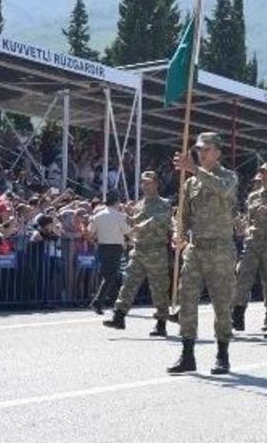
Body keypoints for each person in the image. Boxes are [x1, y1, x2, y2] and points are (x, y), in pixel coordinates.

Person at [169, 132, 238, 374]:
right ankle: (187, 354)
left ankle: (222, 355)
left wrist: (194, 170)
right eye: (198, 149)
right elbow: (184, 214)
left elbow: (221, 189)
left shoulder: (229, 177)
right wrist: (179, 233)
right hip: (196, 248)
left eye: (205, 149)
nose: (200, 153)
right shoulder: (190, 183)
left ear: (217, 152)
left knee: (221, 302)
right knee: (187, 299)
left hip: (220, 248)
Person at [103, 171, 172, 336]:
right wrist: (128, 219)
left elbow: (162, 218)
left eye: (148, 182)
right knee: (128, 283)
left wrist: (144, 225)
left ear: (156, 184)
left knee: (159, 288)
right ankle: (119, 316)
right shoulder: (140, 204)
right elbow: (134, 222)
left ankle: (161, 322)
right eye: (143, 183)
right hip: (139, 250)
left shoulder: (164, 203)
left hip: (156, 251)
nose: (145, 186)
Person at [232, 163, 267, 337]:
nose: (263, 177)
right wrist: (244, 227)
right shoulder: (253, 196)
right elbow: (249, 218)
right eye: (262, 174)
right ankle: (238, 313)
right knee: (243, 274)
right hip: (254, 241)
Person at [86, 190, 130, 315]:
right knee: (110, 276)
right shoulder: (120, 216)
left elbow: (90, 232)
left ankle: (102, 301)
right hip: (115, 247)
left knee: (109, 276)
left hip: (102, 247)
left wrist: (95, 241)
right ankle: (98, 302)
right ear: (116, 202)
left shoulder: (98, 215)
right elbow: (127, 231)